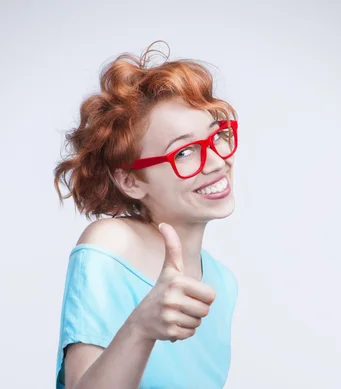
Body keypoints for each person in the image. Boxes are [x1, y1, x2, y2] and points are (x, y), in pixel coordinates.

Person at [52, 41, 239, 389]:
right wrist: (140, 327)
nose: (217, 161)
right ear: (130, 180)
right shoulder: (110, 243)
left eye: (218, 137)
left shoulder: (224, 282)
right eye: (184, 152)